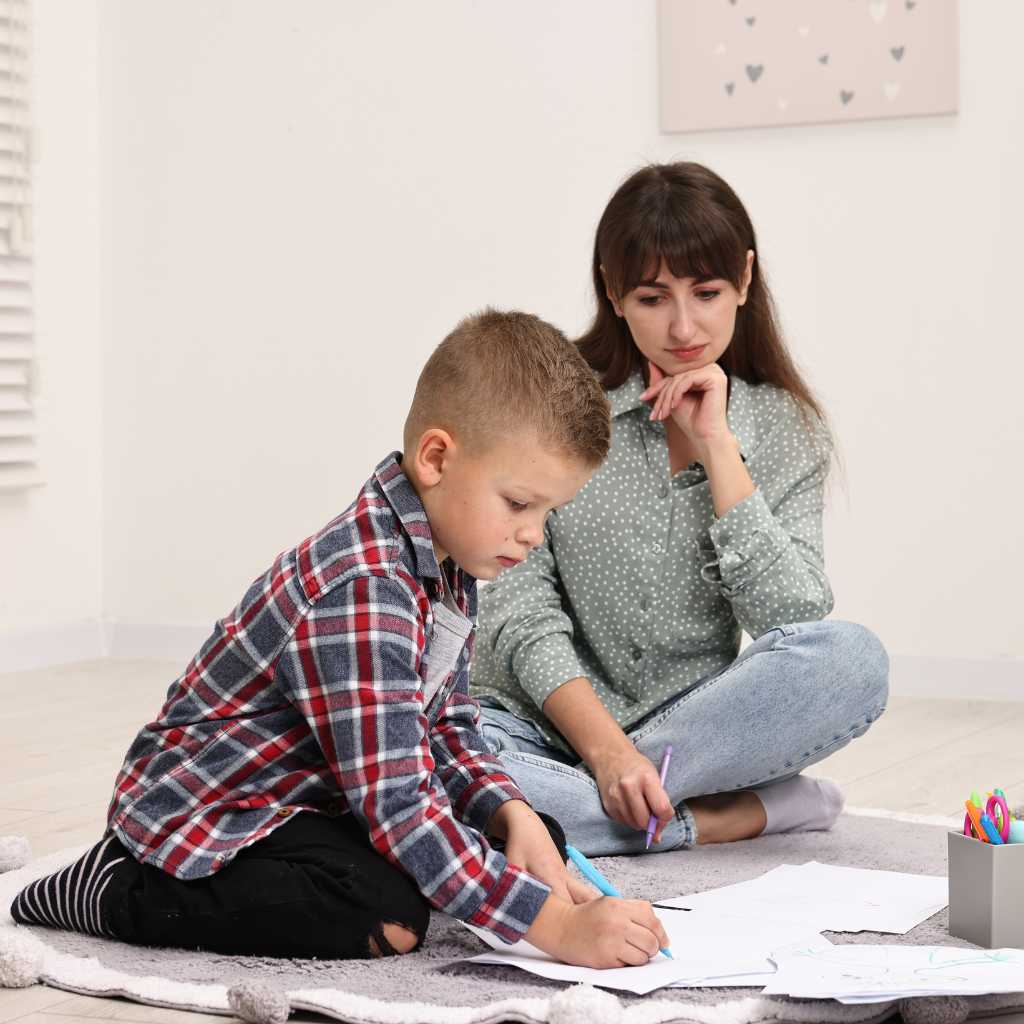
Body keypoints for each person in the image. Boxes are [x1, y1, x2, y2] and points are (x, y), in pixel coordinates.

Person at [11, 310, 670, 968]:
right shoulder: (363, 587)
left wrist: (511, 814)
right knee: (386, 913)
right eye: (520, 504)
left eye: (548, 512)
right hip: (211, 815)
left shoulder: (450, 563)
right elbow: (399, 804)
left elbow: (445, 725)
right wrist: (557, 928)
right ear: (436, 459)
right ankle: (117, 890)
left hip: (314, 797)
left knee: (529, 837)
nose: (532, 534)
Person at [470, 163, 890, 856]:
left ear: (745, 279)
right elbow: (518, 611)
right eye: (652, 297)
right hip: (532, 726)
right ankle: (712, 817)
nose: (684, 325)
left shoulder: (784, 427)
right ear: (613, 291)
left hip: (686, 741)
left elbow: (792, 620)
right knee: (444, 764)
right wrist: (606, 754)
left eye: (707, 292)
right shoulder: (553, 406)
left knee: (856, 660)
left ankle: (605, 803)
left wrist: (718, 447)